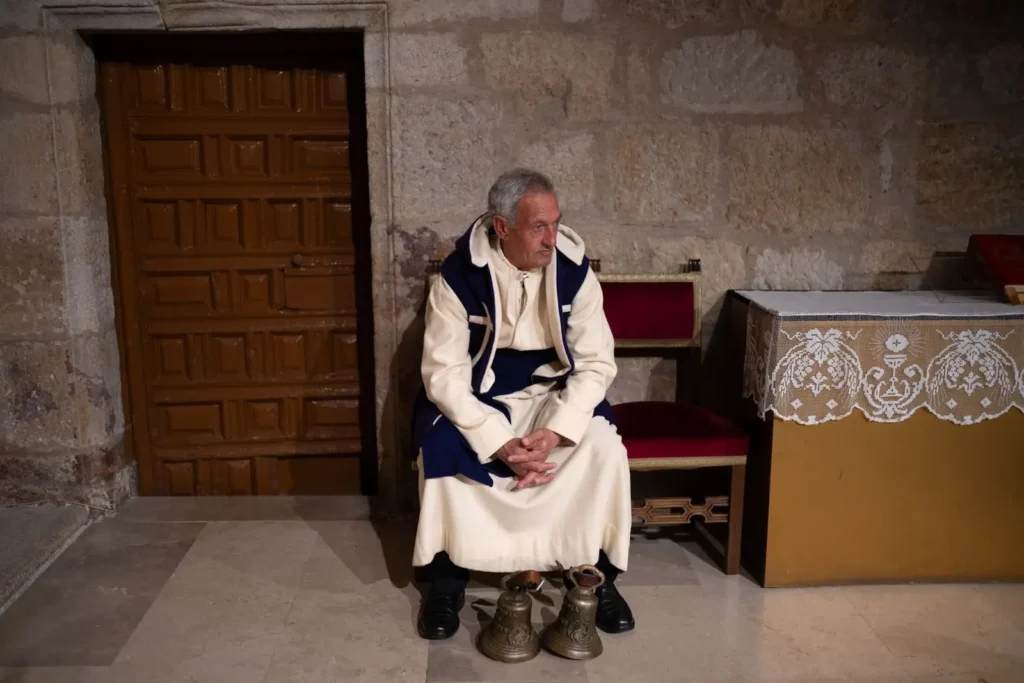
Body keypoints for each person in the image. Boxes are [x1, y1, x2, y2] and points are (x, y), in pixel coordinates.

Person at [411, 168, 634, 640]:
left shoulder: (575, 270)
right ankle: (448, 582)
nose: (552, 238)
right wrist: (499, 443)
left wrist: (555, 430)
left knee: (602, 447)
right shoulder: (458, 277)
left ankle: (595, 576)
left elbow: (597, 363)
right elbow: (443, 373)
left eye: (556, 223)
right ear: (502, 226)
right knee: (445, 454)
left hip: (553, 395)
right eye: (539, 226)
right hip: (480, 396)